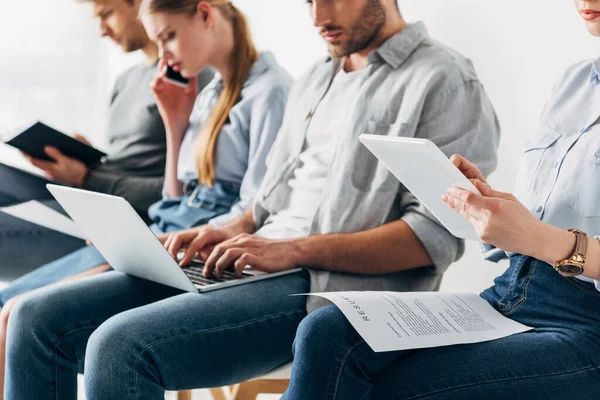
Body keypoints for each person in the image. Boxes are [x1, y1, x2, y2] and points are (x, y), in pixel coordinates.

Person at [3, 0, 499, 398]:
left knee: (118, 347)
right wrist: (227, 229)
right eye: (308, 0)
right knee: (34, 318)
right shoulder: (316, 78)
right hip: (256, 262)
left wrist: (292, 250)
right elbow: (265, 205)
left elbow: (433, 241)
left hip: (324, 291)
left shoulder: (443, 78)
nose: (318, 16)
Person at [281, 1, 600, 398]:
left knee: (383, 387)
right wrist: (492, 208)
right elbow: (544, 221)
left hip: (587, 322)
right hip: (512, 291)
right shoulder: (574, 83)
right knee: (325, 331)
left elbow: (544, 239)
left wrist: (538, 239)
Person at [0, 0, 214, 278]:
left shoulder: (189, 77)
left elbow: (187, 193)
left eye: (107, 15)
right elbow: (126, 159)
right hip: (96, 191)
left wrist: (88, 178)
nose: (102, 31)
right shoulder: (126, 80)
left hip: (125, 213)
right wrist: (89, 159)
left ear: (138, 5)